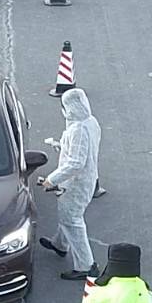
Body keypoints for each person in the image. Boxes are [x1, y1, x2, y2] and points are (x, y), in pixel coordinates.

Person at [37, 85, 99, 280]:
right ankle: (60, 244)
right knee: (68, 216)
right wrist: (61, 146)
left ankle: (86, 265)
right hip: (84, 180)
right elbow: (81, 152)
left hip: (76, 184)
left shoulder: (78, 129)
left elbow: (76, 163)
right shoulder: (90, 122)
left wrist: (51, 179)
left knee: (72, 220)